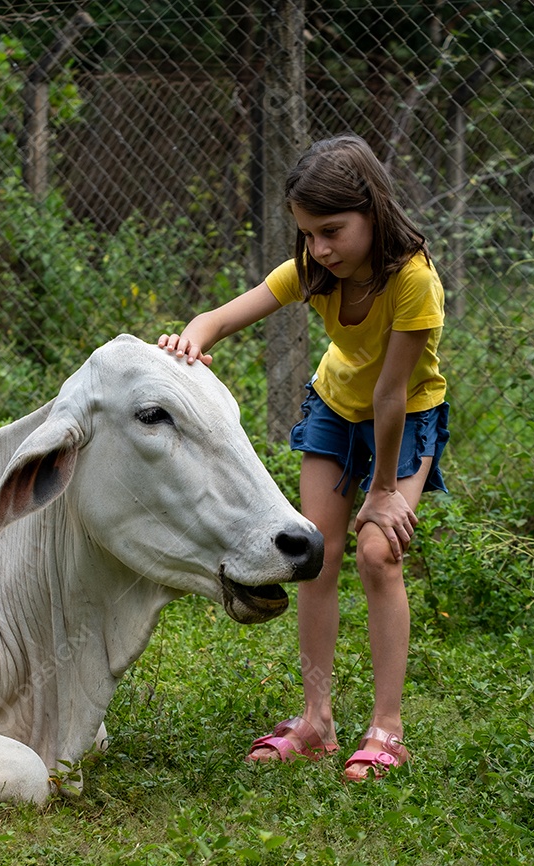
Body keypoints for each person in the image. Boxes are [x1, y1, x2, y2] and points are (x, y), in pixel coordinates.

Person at [157, 134, 449, 782]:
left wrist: (381, 493)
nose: (318, 248)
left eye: (332, 231)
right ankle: (316, 720)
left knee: (379, 551)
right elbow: (220, 318)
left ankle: (388, 729)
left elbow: (393, 395)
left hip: (402, 416)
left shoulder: (413, 280)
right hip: (335, 406)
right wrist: (189, 341)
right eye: (308, 233)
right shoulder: (316, 271)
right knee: (316, 550)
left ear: (373, 211)